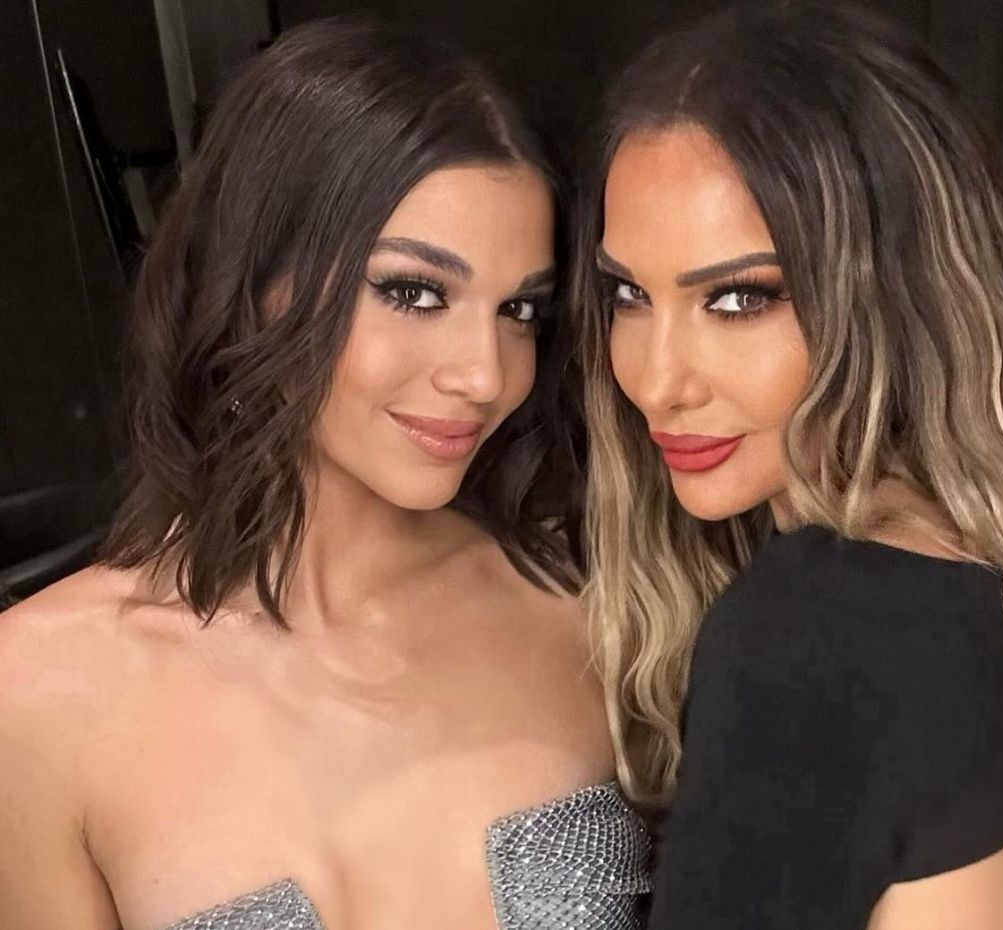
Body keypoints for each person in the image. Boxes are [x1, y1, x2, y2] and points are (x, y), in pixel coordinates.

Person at [0, 18, 649, 930]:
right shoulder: (39, 691)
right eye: (413, 292)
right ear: (253, 282)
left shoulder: (584, 606)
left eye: (519, 311)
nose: (484, 373)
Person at [572, 4, 1003, 929]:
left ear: (898, 299)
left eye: (740, 299)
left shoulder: (812, 637)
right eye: (628, 293)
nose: (657, 381)